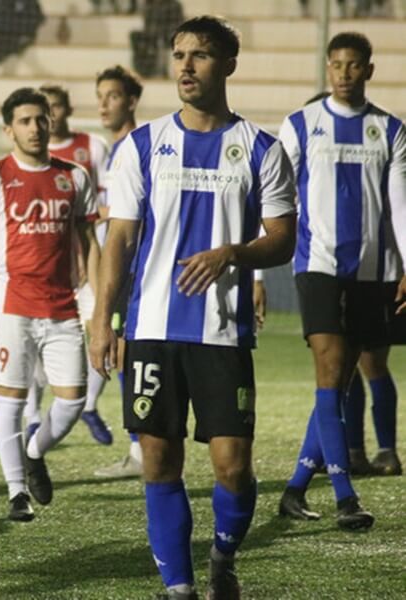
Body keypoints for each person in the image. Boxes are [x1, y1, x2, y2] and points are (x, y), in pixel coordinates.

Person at [89, 16, 297, 599]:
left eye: (200, 55)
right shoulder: (141, 146)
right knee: (159, 461)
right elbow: (121, 240)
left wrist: (234, 253)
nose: (185, 65)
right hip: (152, 328)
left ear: (228, 64)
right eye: (179, 54)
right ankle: (178, 588)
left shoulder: (261, 150)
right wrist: (105, 320)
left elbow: (282, 237)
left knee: (232, 466)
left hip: (223, 333)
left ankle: (223, 556)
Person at [277, 31, 405, 529]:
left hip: (371, 272)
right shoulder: (301, 125)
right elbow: (277, 196)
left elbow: (399, 204)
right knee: (330, 374)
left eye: (354, 65)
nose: (345, 73)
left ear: (369, 70)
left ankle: (293, 489)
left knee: (340, 379)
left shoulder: (389, 130)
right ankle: (345, 497)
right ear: (327, 69)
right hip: (319, 267)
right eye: (337, 65)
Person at [0, 87, 100, 522]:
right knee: (11, 398)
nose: (36, 127)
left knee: (74, 400)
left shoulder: (74, 176)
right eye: (25, 121)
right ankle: (16, 492)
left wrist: (97, 306)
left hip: (63, 306)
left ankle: (33, 448)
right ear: (9, 130)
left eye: (41, 118)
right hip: (12, 305)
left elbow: (90, 245)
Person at [22, 83, 111, 446]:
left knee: (102, 335)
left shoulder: (91, 148)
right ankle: (31, 417)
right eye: (46, 109)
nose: (51, 115)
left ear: (68, 108)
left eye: (56, 107)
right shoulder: (27, 158)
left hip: (88, 265)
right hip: (48, 271)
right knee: (35, 344)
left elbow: (110, 198)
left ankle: (88, 404)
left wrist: (95, 223)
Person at [87, 65, 147, 480]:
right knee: (123, 357)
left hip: (135, 267)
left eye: (112, 95)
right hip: (116, 265)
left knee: (129, 355)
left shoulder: (138, 147)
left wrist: (102, 213)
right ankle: (139, 449)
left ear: (130, 101)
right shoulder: (108, 151)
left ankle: (144, 452)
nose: (104, 104)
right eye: (100, 96)